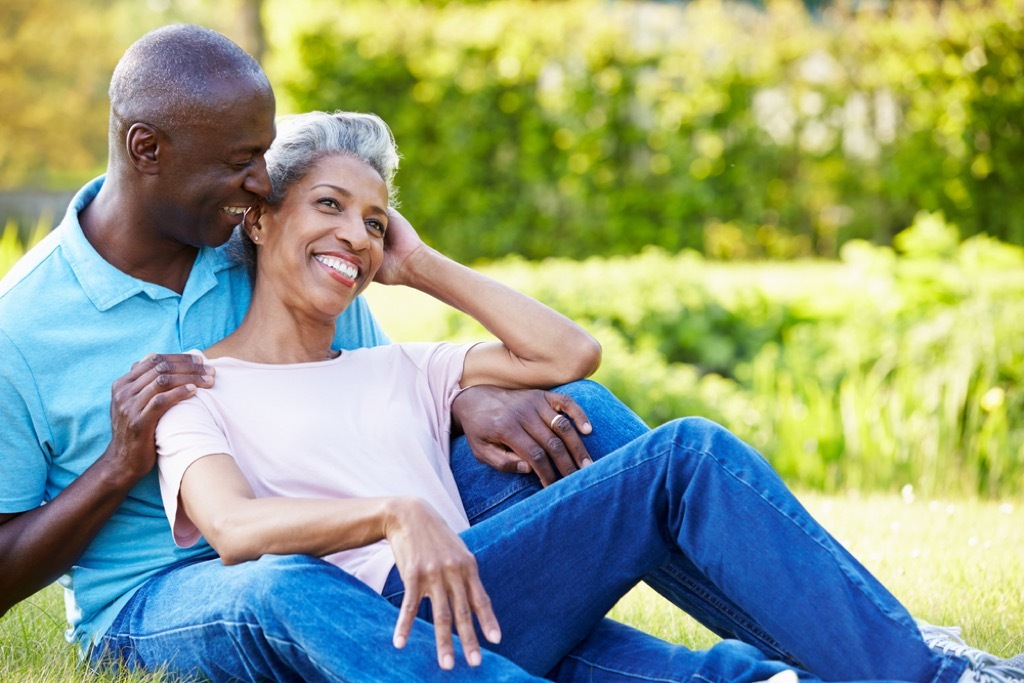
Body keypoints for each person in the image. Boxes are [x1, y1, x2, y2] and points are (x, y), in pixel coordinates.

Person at [0, 22, 1010, 683]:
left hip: (359, 543)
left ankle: (874, 651)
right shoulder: (27, 328)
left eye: (265, 160)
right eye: (241, 163)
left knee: (578, 421)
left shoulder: (244, 234)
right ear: (147, 150)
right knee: (287, 584)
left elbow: (356, 391)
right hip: (178, 585)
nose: (259, 180)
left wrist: (462, 390)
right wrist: (118, 466)